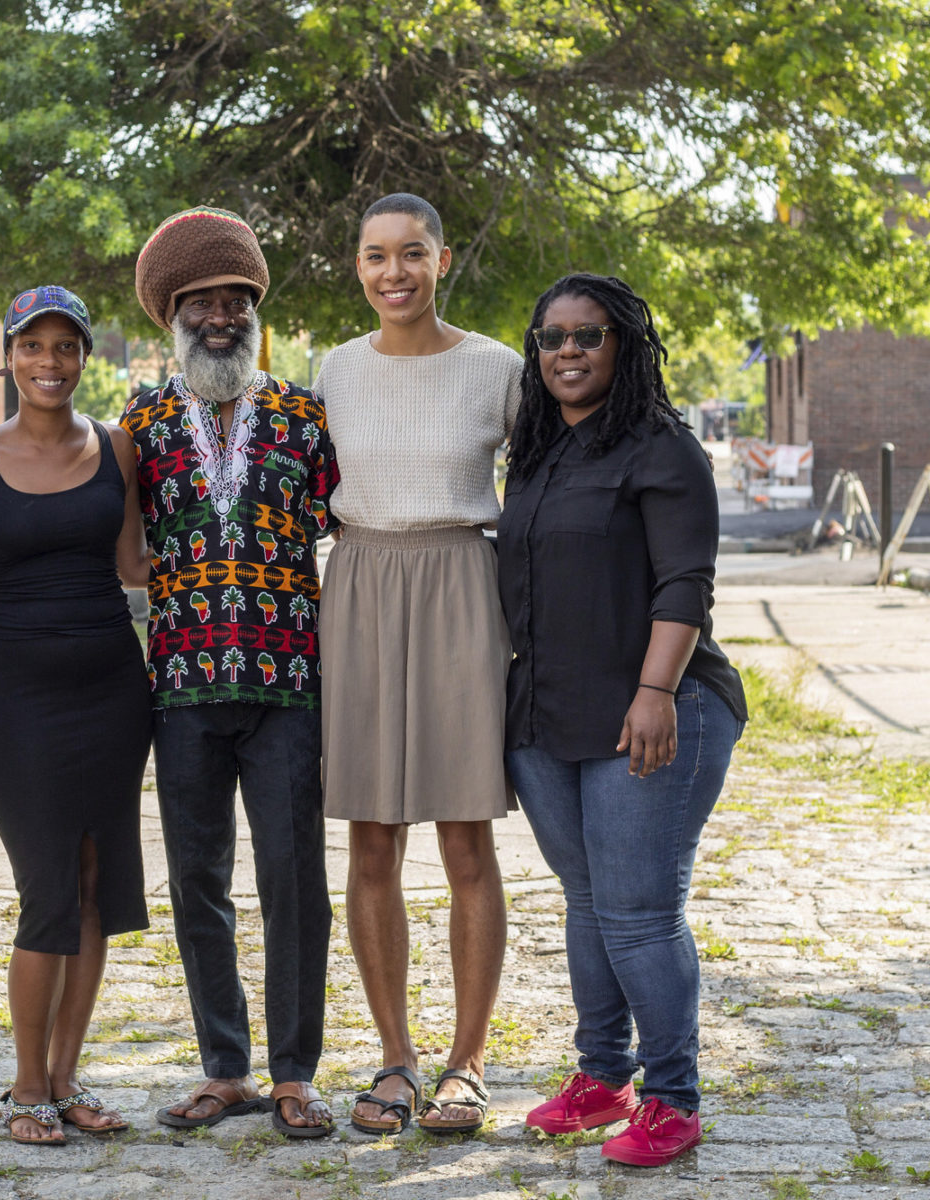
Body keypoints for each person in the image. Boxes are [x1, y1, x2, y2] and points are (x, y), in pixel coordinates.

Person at [499, 273, 747, 1167]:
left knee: (640, 912)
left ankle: (672, 1100)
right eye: (552, 336)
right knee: (588, 900)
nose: (568, 351)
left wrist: (654, 693)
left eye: (588, 336)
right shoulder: (535, 451)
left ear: (624, 345)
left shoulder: (661, 448)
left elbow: (685, 583)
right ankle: (602, 1078)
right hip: (547, 716)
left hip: (655, 710)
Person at [120, 207, 340, 1138]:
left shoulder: (303, 416)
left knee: (295, 881)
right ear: (172, 317)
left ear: (257, 310)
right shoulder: (140, 421)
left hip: (288, 688)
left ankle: (294, 1072)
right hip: (181, 693)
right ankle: (225, 1067)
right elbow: (114, 545)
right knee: (195, 881)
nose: (219, 315)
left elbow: (360, 530)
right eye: (200, 302)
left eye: (235, 300)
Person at [314, 193, 520, 1137]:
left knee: (467, 840)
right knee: (371, 840)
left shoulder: (497, 371)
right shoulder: (332, 372)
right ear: (356, 267)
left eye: (410, 254)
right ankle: (393, 1057)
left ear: (442, 261)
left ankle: (467, 1063)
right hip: (358, 584)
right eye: (373, 256)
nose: (391, 273)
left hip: (459, 580)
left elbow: (555, 483)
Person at [0, 286, 153, 1145]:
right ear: (9, 355)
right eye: (32, 347)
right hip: (19, 700)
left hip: (114, 691)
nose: (49, 363)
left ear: (85, 356)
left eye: (65, 347)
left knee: (94, 881)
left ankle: (69, 1078)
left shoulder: (119, 447)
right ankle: (25, 1086)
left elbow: (134, 566)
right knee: (46, 885)